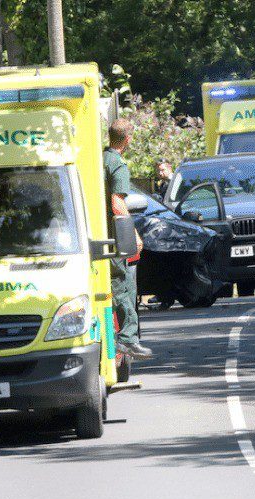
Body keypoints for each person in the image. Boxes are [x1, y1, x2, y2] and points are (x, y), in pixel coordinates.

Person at [104, 119, 153, 359]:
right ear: (127, 139)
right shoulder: (117, 164)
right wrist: (133, 235)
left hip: (94, 236)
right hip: (112, 240)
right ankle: (127, 339)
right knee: (123, 285)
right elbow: (117, 202)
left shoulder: (100, 159)